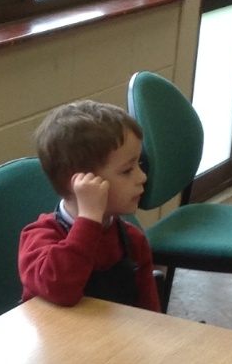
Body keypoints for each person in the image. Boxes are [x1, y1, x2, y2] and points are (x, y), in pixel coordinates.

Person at [19, 100, 159, 311]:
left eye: (138, 164)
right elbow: (62, 291)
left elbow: (150, 315)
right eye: (127, 170)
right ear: (81, 183)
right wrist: (89, 219)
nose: (142, 177)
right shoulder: (39, 238)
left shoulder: (133, 240)